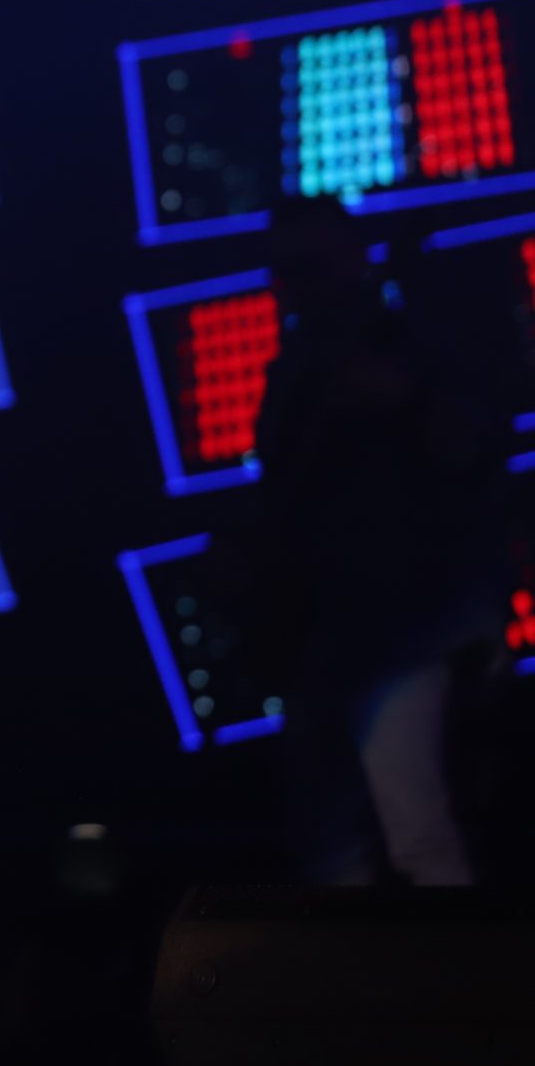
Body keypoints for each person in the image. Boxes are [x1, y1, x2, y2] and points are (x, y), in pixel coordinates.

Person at [219, 195, 512, 885]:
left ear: (352, 260)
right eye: (289, 269)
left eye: (313, 265)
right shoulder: (297, 368)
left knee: (404, 832)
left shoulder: (408, 345)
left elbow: (474, 450)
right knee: (342, 839)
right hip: (334, 628)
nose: (301, 285)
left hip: (402, 623)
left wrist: (408, 401)